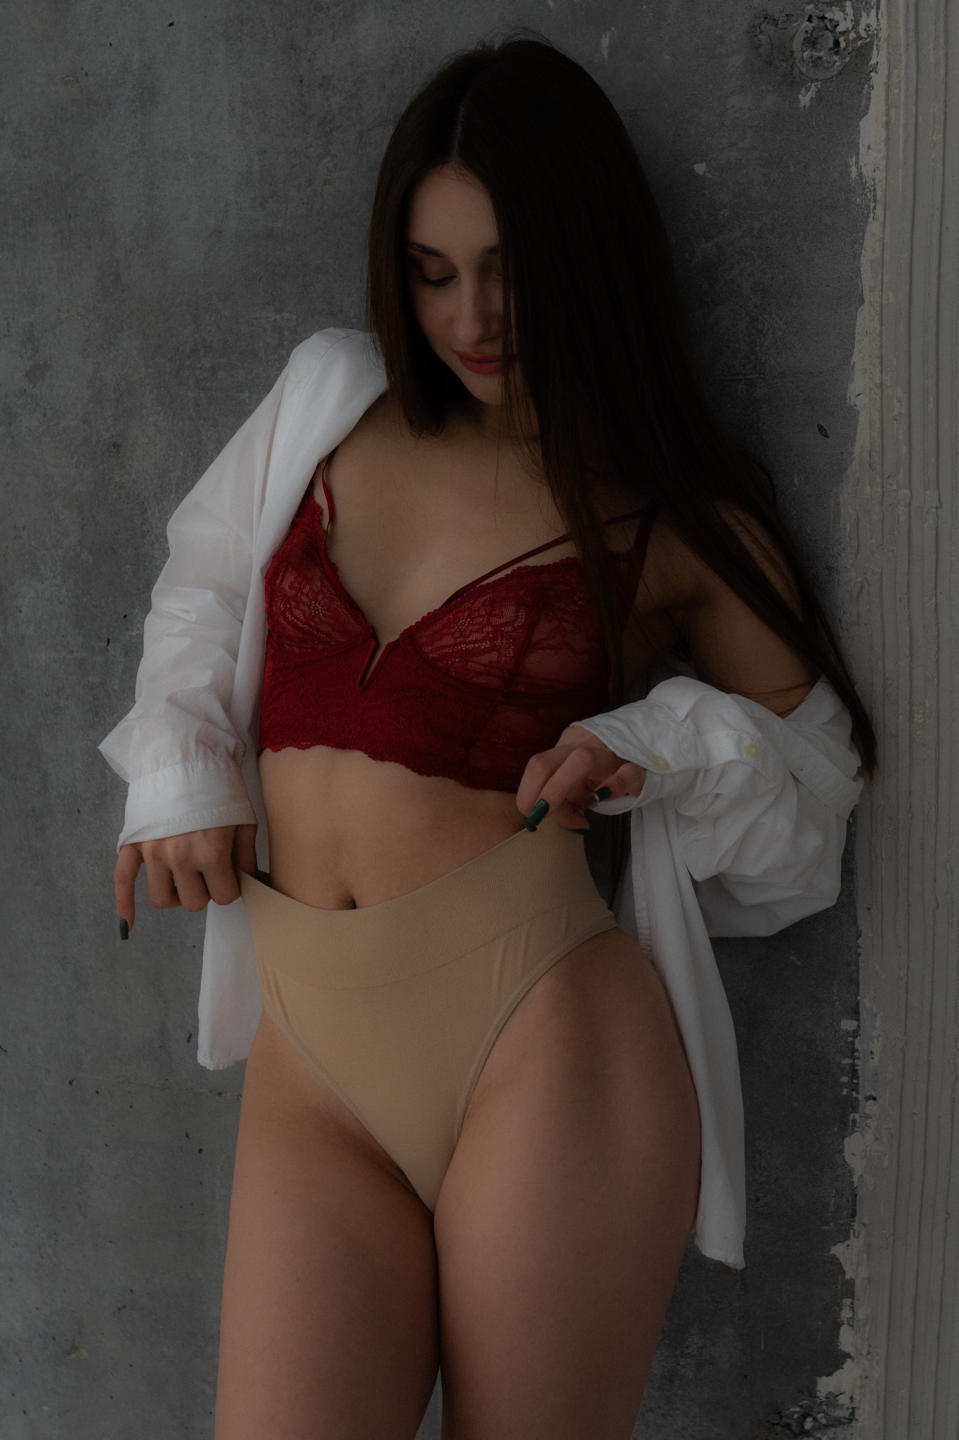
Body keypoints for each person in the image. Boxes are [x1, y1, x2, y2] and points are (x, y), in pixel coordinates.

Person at [99, 31, 874, 1440]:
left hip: (546, 1044)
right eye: (433, 270)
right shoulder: (329, 403)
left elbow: (815, 797)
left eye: (511, 268)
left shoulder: (671, 515)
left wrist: (654, 742)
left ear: (591, 259)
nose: (474, 317)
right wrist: (181, 774)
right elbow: (201, 585)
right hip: (311, 1055)